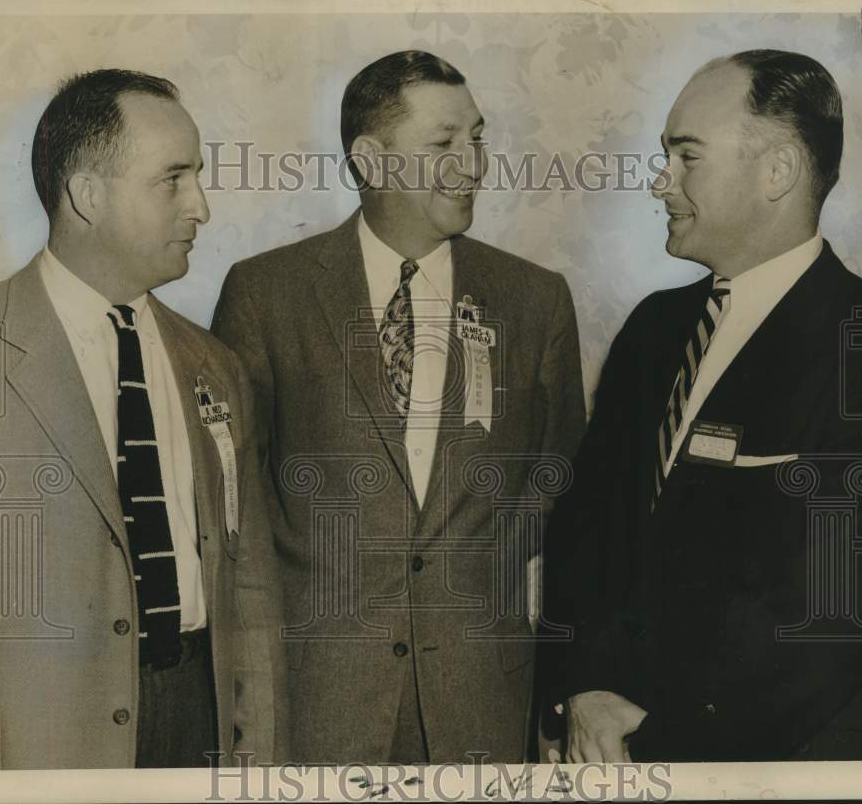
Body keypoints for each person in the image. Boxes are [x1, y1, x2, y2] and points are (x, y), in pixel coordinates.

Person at [211, 50, 586, 764]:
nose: (473, 165)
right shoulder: (265, 295)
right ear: (373, 160)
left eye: (477, 138)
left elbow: (560, 486)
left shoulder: (535, 300)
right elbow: (237, 508)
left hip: (483, 699)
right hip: (319, 696)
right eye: (444, 144)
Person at [544, 49, 862, 762]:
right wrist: (581, 693)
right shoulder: (652, 330)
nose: (659, 182)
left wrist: (653, 732)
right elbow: (585, 536)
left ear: (778, 172)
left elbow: (837, 611)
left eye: (686, 156)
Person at [0, 69, 286, 769]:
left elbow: (248, 577)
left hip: (198, 727)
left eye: (197, 176)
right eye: (173, 178)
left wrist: (259, 747)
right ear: (87, 196)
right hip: (36, 748)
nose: (201, 206)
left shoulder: (215, 364)